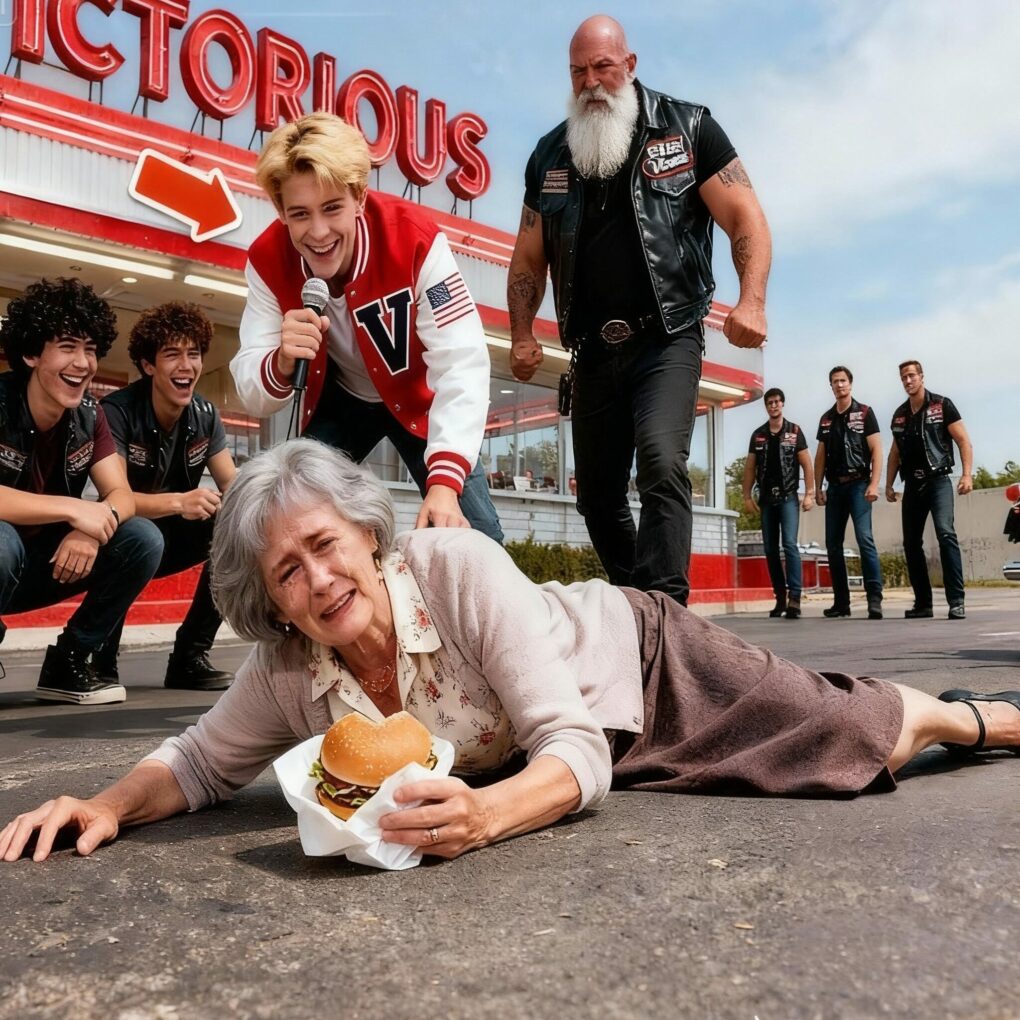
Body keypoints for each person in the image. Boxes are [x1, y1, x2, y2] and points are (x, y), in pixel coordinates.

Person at [5, 438, 1019, 865]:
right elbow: (191, 762)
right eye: (286, 574)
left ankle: (966, 716)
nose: (316, 581)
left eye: (326, 548)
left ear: (368, 535)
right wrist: (103, 805)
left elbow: (572, 746)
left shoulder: (455, 568)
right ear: (269, 601)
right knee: (799, 771)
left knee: (851, 740)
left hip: (641, 661)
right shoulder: (289, 671)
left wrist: (484, 816)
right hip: (592, 751)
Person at [507, 15, 771, 605]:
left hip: (667, 337)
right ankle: (638, 607)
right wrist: (523, 333)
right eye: (578, 72)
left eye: (603, 67)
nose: (591, 83)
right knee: (596, 497)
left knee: (659, 459)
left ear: (630, 65)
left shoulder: (689, 129)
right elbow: (528, 259)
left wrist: (751, 299)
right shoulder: (549, 155)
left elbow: (745, 218)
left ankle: (668, 609)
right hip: (593, 352)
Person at [231, 112, 503, 544]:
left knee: (477, 535)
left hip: (422, 403)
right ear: (280, 211)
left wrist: (445, 486)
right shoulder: (265, 259)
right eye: (299, 214)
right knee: (280, 526)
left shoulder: (416, 240)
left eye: (332, 208)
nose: (318, 232)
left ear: (359, 196)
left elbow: (462, 363)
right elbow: (252, 392)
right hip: (341, 402)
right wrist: (281, 361)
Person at [0, 279, 163, 705]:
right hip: (4, 558)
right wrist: (74, 510)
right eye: (68, 347)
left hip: (46, 565)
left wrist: (90, 529)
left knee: (142, 537)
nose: (83, 362)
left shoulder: (90, 414)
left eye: (90, 348)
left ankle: (69, 661)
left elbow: (121, 495)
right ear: (32, 353)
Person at [97, 303, 237, 689]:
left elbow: (235, 486)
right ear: (148, 365)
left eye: (193, 354)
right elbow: (116, 497)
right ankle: (98, 657)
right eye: (172, 354)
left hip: (174, 536)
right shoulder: (116, 411)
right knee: (138, 533)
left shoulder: (206, 414)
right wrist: (181, 501)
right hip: (120, 536)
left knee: (235, 530)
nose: (186, 365)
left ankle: (190, 656)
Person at [885, 360, 973, 620]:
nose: (908, 380)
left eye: (912, 375)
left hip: (938, 481)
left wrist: (967, 475)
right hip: (913, 484)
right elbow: (894, 453)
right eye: (904, 377)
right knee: (911, 543)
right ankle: (923, 603)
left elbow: (963, 441)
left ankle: (956, 600)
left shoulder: (941, 405)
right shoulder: (900, 414)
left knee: (946, 534)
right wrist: (888, 484)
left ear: (921, 377)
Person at [814, 366, 884, 620]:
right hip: (834, 487)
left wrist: (874, 484)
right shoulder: (826, 419)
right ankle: (841, 603)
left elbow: (877, 449)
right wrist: (817, 487)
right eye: (835, 382)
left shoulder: (865, 413)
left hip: (859, 485)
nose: (839, 385)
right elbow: (820, 456)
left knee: (865, 540)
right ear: (831, 386)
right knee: (833, 545)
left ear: (850, 384)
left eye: (843, 381)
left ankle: (874, 599)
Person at [742, 388, 814, 619]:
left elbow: (806, 463)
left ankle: (795, 598)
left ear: (782, 404)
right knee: (771, 550)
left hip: (788, 498)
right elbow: (750, 467)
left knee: (790, 546)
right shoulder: (758, 435)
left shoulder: (794, 431)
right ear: (766, 406)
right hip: (766, 499)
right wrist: (746, 496)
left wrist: (810, 492)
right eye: (770, 403)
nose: (773, 406)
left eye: (777, 402)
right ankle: (780, 599)